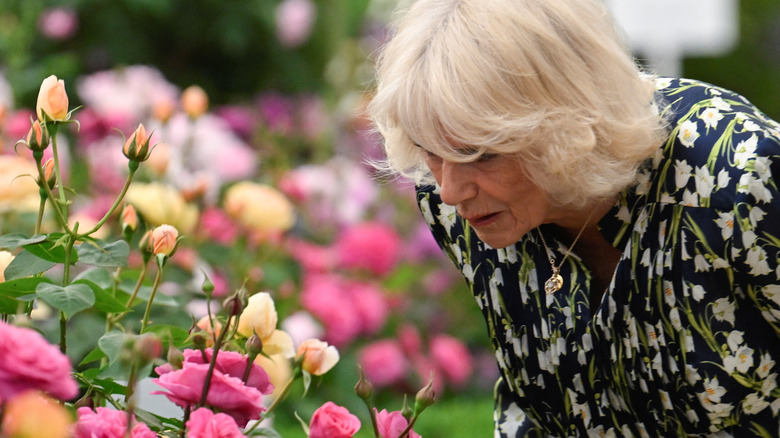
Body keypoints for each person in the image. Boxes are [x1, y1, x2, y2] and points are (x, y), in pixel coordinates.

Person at [367, 0, 780, 436]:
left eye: (478, 153)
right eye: (431, 149)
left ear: (564, 124)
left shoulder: (738, 179)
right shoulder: (461, 209)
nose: (450, 190)